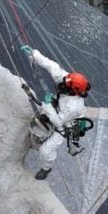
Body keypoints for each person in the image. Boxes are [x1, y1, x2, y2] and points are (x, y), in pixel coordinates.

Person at [20, 45, 91, 180]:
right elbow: (51, 66)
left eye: (67, 83)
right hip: (57, 108)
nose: (63, 82)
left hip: (65, 124)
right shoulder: (68, 80)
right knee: (39, 123)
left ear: (74, 90)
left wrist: (47, 107)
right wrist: (34, 55)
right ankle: (33, 140)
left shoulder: (74, 106)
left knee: (45, 151)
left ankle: (46, 168)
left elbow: (59, 122)